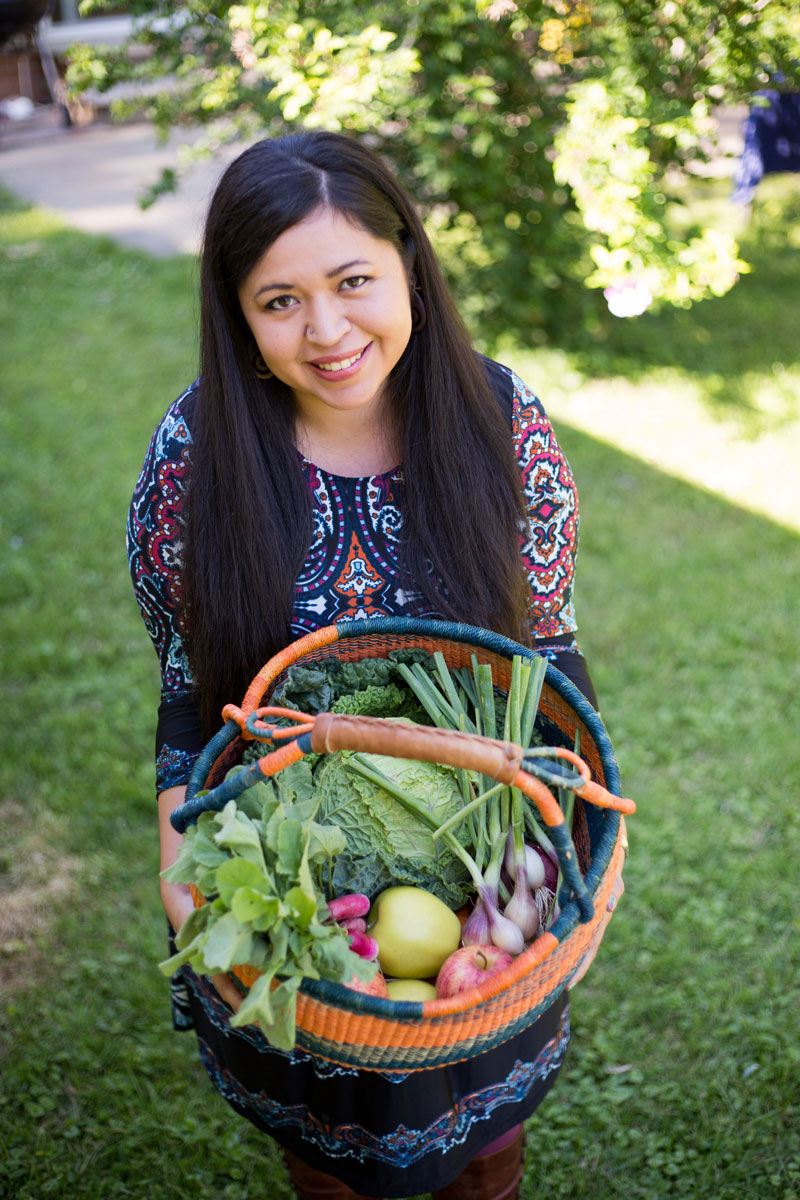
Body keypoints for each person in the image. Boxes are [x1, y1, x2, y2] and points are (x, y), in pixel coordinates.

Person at [127, 130, 623, 1200]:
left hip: (487, 898)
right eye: (279, 301)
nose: (326, 331)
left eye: (353, 281)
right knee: (327, 1159)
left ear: (408, 263)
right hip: (305, 916)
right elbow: (187, 696)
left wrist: (563, 851)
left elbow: (547, 658)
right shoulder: (192, 458)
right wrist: (184, 863)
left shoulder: (500, 424)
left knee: (484, 1156)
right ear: (238, 317)